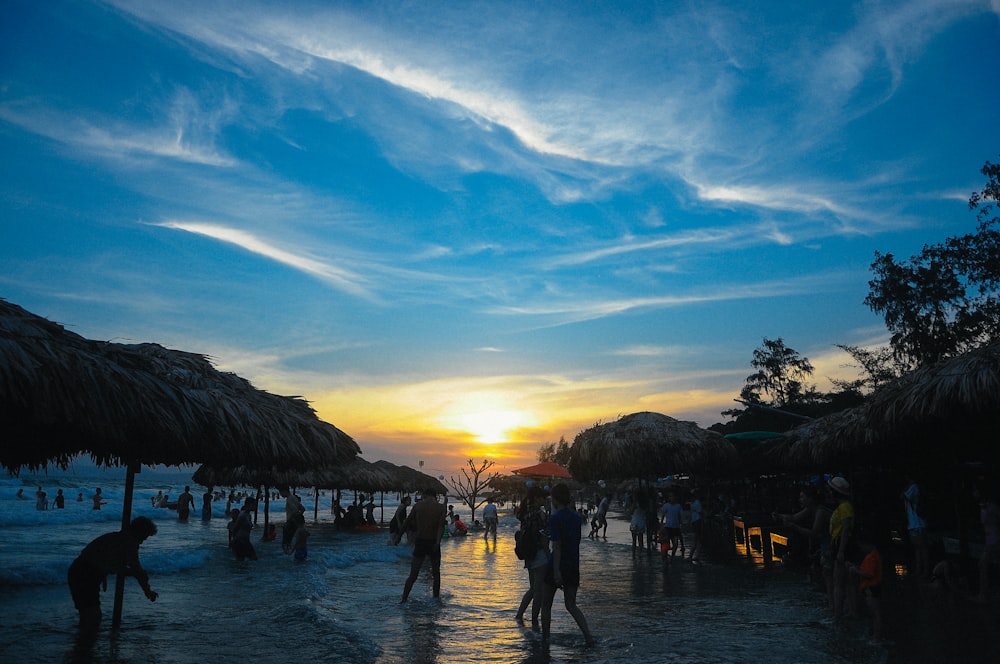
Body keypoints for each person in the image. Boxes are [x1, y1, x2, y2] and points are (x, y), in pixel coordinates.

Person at [67, 516, 159, 635]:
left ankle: (83, 643)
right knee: (92, 616)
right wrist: (148, 591)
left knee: (87, 614)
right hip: (85, 574)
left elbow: (115, 565)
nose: (142, 542)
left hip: (81, 572)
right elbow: (136, 569)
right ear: (139, 533)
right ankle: (84, 646)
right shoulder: (128, 542)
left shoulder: (116, 537)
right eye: (144, 538)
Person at [540, 483, 594, 646]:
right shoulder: (577, 518)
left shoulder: (555, 519)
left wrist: (556, 571)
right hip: (573, 564)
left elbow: (557, 546)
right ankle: (588, 637)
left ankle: (545, 639)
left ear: (555, 499)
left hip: (557, 565)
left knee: (546, 604)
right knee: (571, 604)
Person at [395, 487, 448, 602]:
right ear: (435, 497)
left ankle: (404, 599)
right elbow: (441, 527)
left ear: (425, 495)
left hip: (420, 541)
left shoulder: (418, 506)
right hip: (433, 541)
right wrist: (437, 542)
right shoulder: (440, 508)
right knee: (436, 574)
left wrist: (398, 537)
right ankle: (435, 600)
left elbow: (407, 522)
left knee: (413, 575)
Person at [515, 486, 550, 628]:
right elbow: (543, 538)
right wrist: (549, 556)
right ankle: (535, 621)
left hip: (529, 554)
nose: (545, 499)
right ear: (537, 498)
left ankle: (519, 615)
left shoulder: (524, 513)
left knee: (533, 588)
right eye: (543, 497)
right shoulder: (539, 514)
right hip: (539, 554)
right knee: (539, 590)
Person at [847, 534, 884, 643]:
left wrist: (855, 571)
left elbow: (869, 574)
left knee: (875, 612)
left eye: (862, 546)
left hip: (871, 588)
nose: (861, 549)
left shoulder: (870, 557)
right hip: (874, 586)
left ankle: (877, 637)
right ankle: (875, 635)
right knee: (875, 612)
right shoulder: (876, 556)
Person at [828, 476, 855, 619]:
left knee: (838, 581)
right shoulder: (843, 507)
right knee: (846, 581)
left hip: (841, 545)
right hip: (839, 545)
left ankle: (838, 614)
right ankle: (850, 611)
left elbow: (845, 530)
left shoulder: (844, 507)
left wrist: (841, 551)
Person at [901, 475, 929, 579]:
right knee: (918, 548)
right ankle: (919, 570)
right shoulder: (912, 487)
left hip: (918, 524)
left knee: (922, 548)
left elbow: (903, 496)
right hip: (913, 524)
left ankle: (925, 571)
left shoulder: (913, 487)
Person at [977, 490, 1000, 603]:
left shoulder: (992, 506)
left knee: (983, 563)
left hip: (994, 538)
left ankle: (983, 595)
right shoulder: (984, 506)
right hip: (990, 538)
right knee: (993, 564)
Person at [280, 487, 305, 554]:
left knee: (285, 542)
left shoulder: (289, 499)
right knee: (290, 540)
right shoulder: (294, 498)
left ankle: (287, 556)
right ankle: (291, 554)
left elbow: (294, 510)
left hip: (291, 522)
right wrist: (299, 518)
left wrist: (290, 520)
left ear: (285, 491)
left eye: (281, 492)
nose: (280, 494)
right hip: (295, 522)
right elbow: (302, 509)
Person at [659, 492, 683, 559]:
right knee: (666, 544)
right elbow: (663, 516)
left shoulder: (678, 506)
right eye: (670, 497)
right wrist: (661, 527)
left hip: (676, 527)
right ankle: (666, 557)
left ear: (675, 498)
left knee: (675, 544)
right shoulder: (666, 506)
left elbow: (679, 516)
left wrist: (681, 525)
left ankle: (672, 556)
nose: (671, 498)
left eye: (672, 497)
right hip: (667, 527)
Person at [688, 489, 704, 564]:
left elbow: (700, 513)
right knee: (698, 539)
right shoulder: (694, 503)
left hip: (697, 521)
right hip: (695, 521)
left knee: (696, 539)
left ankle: (691, 555)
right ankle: (696, 555)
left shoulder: (697, 503)